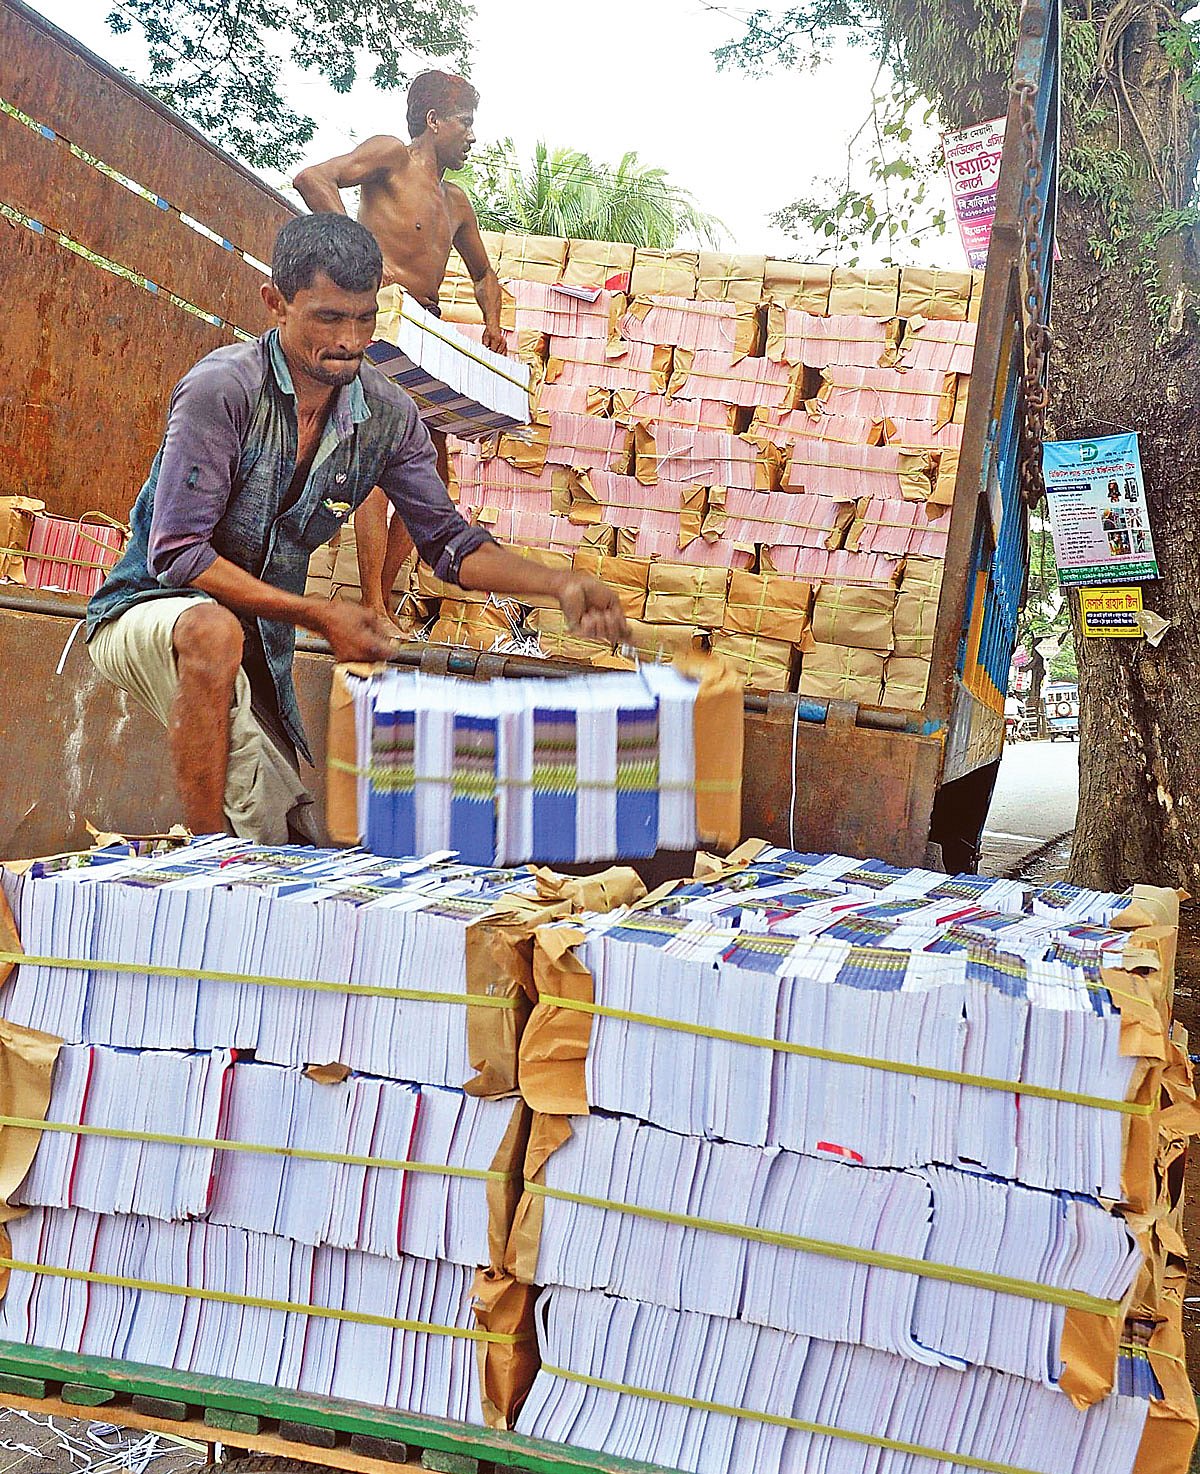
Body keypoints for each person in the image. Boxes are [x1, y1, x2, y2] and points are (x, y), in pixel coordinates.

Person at [86, 214, 626, 846]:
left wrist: (558, 584)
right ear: (276, 303)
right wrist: (320, 614)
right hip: (144, 613)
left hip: (258, 649)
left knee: (279, 835)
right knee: (212, 630)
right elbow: (177, 555)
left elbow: (449, 544)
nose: (349, 339)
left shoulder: (388, 415)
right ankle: (204, 867)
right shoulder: (222, 389)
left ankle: (231, 862)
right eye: (328, 318)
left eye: (364, 319)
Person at [294, 71, 502, 622]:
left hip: (424, 332)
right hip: (378, 326)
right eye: (466, 124)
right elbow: (313, 179)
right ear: (435, 122)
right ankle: (369, 604)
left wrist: (495, 322)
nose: (472, 137)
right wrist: (363, 257)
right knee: (379, 458)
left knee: (433, 470)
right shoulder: (390, 155)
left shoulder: (455, 202)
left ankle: (381, 597)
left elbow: (484, 275)